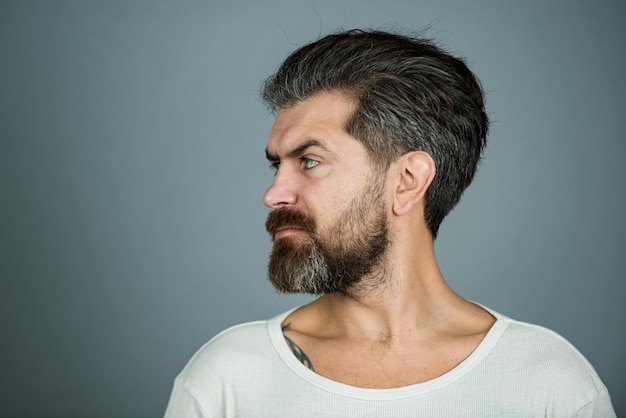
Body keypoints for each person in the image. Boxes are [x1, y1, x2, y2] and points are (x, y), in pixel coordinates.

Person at [164, 29, 616, 417]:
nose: (273, 194)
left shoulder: (548, 382)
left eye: (310, 160)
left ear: (406, 181)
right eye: (276, 166)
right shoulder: (229, 376)